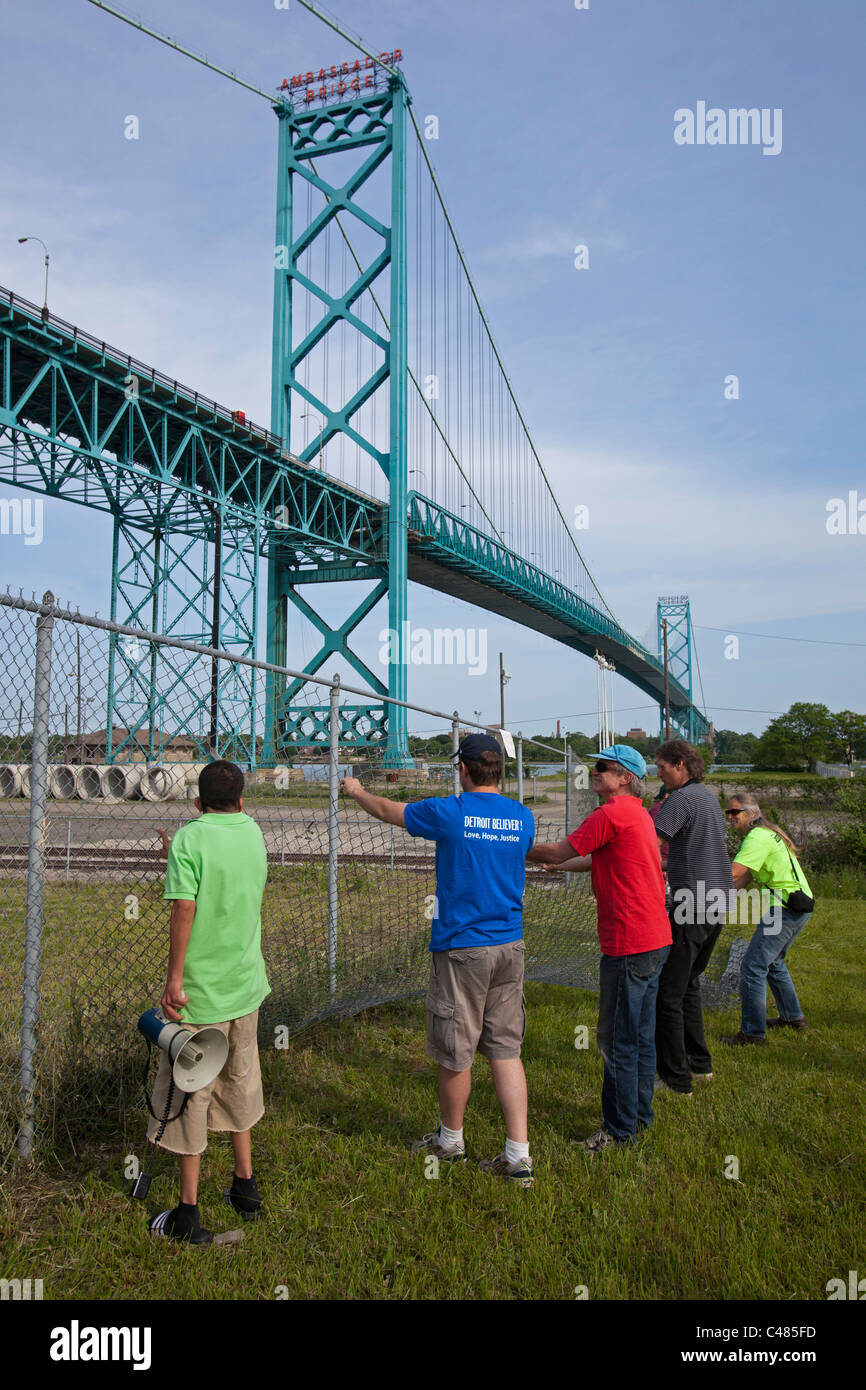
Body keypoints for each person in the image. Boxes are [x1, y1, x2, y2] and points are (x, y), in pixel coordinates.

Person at [340, 734, 537, 1187]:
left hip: (463, 947)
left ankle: (450, 1141)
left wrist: (357, 791)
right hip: (510, 945)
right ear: (499, 771)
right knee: (506, 1049)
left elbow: (391, 811)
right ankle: (517, 1155)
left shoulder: (452, 812)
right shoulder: (522, 817)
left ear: (464, 770)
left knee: (456, 1050)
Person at [147, 760, 270, 1243]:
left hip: (199, 995)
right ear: (242, 801)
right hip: (245, 987)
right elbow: (225, 877)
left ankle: (187, 1213)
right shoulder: (253, 833)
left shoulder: (189, 840)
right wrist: (173, 854)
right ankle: (245, 1187)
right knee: (240, 1078)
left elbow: (186, 906)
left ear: (197, 803)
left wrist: (174, 980)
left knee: (191, 1093)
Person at [528, 745, 671, 1152]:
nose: (594, 772)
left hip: (629, 943)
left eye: (602, 768)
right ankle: (639, 1117)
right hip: (653, 939)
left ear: (626, 777)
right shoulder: (637, 815)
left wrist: (504, 842)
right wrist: (558, 865)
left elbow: (559, 850)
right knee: (641, 1036)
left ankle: (618, 1131)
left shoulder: (609, 813)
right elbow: (594, 859)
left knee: (617, 1041)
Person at [652, 739, 733, 1095]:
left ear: (681, 764)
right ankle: (700, 1064)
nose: (659, 773)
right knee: (689, 985)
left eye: (662, 767)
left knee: (667, 992)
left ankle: (675, 1077)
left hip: (691, 905)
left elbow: (648, 844)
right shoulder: (707, 798)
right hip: (716, 902)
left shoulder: (680, 800)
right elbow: (690, 854)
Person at [722, 793, 814, 1045]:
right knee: (773, 963)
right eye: (727, 813)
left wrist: (696, 878)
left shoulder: (757, 837)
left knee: (753, 967)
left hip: (783, 910)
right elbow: (746, 877)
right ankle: (792, 1017)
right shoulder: (767, 834)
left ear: (751, 814)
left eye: (735, 812)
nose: (730, 817)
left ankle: (752, 1034)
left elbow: (734, 872)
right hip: (797, 906)